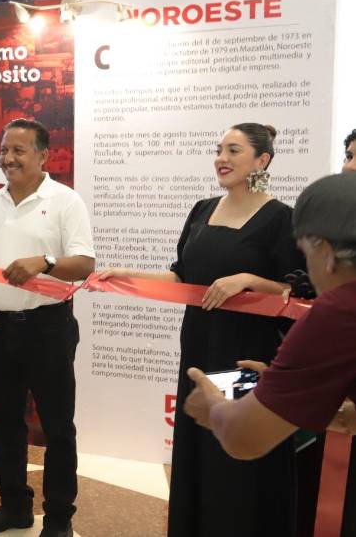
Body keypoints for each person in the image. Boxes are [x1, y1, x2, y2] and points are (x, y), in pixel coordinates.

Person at [99, 123, 305, 537]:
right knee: (200, 445)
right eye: (219, 150)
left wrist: (248, 279)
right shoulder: (201, 209)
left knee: (238, 450)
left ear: (262, 160)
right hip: (198, 348)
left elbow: (297, 291)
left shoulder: (281, 218)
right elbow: (181, 278)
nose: (221, 159)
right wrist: (126, 275)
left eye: (234, 150)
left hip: (247, 356)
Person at [184, 172, 356, 534]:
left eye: (305, 254)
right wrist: (288, 392)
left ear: (326, 254)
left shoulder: (337, 313)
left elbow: (244, 437)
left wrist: (213, 405)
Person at [0, 119, 95, 537]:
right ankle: (14, 507)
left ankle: (58, 517)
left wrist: (46, 262)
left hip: (48, 327)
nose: (8, 158)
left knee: (58, 427)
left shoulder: (65, 201)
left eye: (18, 151)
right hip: (0, 329)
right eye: (5, 150)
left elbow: (85, 264)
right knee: (4, 423)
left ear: (43, 156)